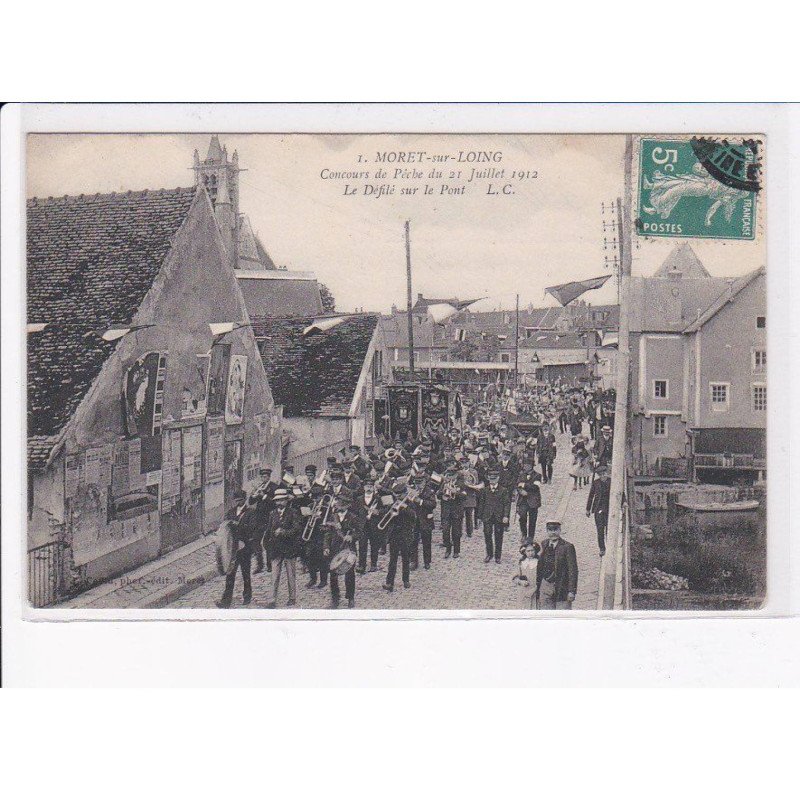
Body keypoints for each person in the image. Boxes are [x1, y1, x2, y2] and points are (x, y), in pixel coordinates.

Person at [216, 491, 255, 608]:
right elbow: (225, 526)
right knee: (230, 574)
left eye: (240, 500)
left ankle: (247, 596)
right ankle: (225, 601)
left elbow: (251, 528)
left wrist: (238, 525)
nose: (238, 502)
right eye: (236, 500)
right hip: (232, 548)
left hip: (244, 548)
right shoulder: (231, 512)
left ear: (244, 499)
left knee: (245, 574)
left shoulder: (250, 513)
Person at [264, 488, 302, 608]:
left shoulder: (293, 512)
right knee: (274, 576)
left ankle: (292, 598)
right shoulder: (272, 513)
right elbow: (269, 531)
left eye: (282, 500)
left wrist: (284, 532)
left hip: (289, 548)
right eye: (277, 501)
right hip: (276, 549)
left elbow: (297, 529)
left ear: (286, 501)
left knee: (291, 575)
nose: (279, 503)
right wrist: (268, 546)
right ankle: (272, 599)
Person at [324, 488, 360, 609]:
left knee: (349, 574)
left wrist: (352, 536)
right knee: (333, 575)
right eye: (337, 502)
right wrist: (326, 547)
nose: (337, 504)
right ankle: (335, 599)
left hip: (349, 549)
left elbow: (360, 533)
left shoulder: (353, 517)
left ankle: (350, 598)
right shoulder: (332, 516)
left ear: (347, 505)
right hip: (335, 548)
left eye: (340, 503)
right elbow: (328, 534)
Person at [535, 521, 578, 610]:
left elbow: (572, 570)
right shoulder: (544, 544)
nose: (553, 532)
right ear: (547, 531)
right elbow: (540, 567)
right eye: (550, 530)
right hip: (546, 586)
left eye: (555, 530)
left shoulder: (567, 547)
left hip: (562, 586)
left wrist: (571, 591)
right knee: (546, 617)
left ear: (559, 530)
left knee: (562, 617)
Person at [383, 481, 416, 591]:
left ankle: (405, 580)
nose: (396, 496)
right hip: (394, 534)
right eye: (395, 494)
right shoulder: (391, 501)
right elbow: (385, 513)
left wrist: (404, 507)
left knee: (405, 558)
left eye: (399, 494)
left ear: (404, 493)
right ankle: (389, 582)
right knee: (392, 560)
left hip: (406, 534)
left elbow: (413, 516)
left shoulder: (410, 502)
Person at [478, 467, 510, 563]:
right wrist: (479, 517)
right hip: (487, 516)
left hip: (498, 516)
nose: (492, 480)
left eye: (494, 478)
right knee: (487, 535)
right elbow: (481, 504)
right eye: (491, 478)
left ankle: (498, 556)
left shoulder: (503, 490)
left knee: (498, 536)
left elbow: (507, 504)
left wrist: (506, 516)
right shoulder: (484, 490)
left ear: (498, 479)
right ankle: (489, 554)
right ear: (488, 478)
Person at [438, 464, 466, 559]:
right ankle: (448, 549)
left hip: (456, 511)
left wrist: (455, 492)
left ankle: (456, 551)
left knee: (456, 532)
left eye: (452, 475)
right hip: (446, 511)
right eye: (448, 475)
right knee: (445, 531)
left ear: (456, 475)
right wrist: (442, 494)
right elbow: (438, 494)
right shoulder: (445, 483)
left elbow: (464, 496)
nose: (450, 477)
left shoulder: (461, 483)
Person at [411, 472, 437, 569]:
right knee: (413, 541)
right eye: (416, 482)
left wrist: (421, 501)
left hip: (426, 519)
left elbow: (433, 504)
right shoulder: (412, 491)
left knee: (427, 541)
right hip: (414, 519)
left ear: (424, 482)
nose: (418, 484)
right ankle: (414, 561)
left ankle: (427, 561)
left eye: (420, 482)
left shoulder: (429, 491)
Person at [357, 477, 383, 573]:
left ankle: (373, 565)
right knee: (362, 545)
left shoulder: (378, 498)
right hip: (363, 526)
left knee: (374, 545)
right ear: (364, 487)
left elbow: (385, 509)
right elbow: (355, 512)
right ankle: (361, 565)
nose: (368, 488)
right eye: (367, 486)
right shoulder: (359, 499)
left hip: (374, 524)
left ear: (373, 488)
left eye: (370, 486)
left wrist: (378, 512)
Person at [586, 463, 611, 557]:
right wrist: (588, 509)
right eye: (601, 474)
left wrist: (623, 502)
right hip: (598, 508)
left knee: (609, 528)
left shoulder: (612, 482)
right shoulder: (596, 483)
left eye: (604, 473)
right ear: (599, 475)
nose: (603, 476)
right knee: (600, 530)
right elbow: (591, 496)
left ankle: (610, 546)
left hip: (609, 508)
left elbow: (620, 493)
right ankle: (602, 548)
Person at [516, 459, 542, 541]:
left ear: (531, 466)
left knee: (532, 520)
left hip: (533, 500)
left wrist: (524, 485)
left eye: (527, 465)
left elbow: (535, 487)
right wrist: (521, 491)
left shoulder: (537, 475)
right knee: (522, 517)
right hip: (523, 500)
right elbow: (517, 485)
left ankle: (531, 536)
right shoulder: (521, 475)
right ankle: (524, 534)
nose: (525, 466)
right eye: (524, 465)